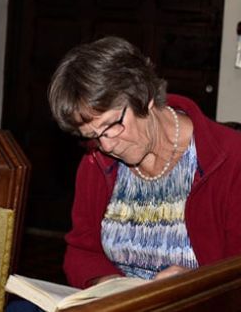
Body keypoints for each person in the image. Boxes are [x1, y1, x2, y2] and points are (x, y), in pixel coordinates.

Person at [47, 36, 241, 289]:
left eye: (112, 126)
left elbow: (234, 275)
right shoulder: (96, 161)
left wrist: (195, 285)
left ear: (144, 94)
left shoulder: (229, 159)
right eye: (92, 136)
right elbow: (81, 251)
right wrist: (111, 285)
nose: (106, 146)